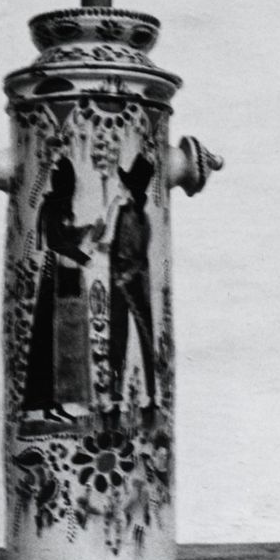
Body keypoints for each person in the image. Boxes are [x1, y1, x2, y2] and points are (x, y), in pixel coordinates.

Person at [22, 157, 96, 423]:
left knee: (58, 342)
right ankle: (45, 404)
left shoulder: (57, 205)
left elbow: (63, 235)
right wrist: (83, 257)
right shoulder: (52, 205)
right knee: (48, 341)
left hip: (60, 276)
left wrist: (85, 230)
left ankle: (55, 403)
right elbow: (55, 241)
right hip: (52, 277)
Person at [107, 153, 156, 415]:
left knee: (145, 334)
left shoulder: (142, 219)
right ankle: (115, 395)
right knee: (117, 335)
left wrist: (126, 275)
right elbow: (115, 247)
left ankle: (151, 395)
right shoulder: (122, 212)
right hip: (118, 280)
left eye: (125, 185)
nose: (121, 187)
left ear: (132, 189)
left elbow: (141, 257)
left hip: (135, 281)